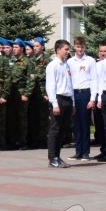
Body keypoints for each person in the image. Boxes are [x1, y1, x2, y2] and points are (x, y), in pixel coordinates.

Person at [45, 39, 74, 168]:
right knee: (55, 130)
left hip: (67, 99)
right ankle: (52, 157)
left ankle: (58, 156)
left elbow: (70, 84)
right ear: (58, 50)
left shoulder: (66, 65)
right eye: (66, 49)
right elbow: (50, 86)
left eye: (68, 50)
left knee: (63, 130)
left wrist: (72, 103)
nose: (68, 52)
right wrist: (55, 104)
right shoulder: (53, 65)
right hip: (58, 99)